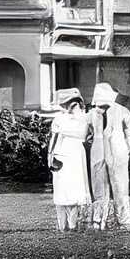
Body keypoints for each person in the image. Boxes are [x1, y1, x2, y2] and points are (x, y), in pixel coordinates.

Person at [87, 82, 130, 231]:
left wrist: (126, 145)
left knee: (120, 186)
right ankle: (98, 221)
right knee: (99, 187)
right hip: (98, 151)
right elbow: (85, 131)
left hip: (117, 150)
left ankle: (124, 221)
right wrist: (93, 140)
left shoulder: (120, 111)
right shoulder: (91, 114)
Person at [47, 87, 92, 232]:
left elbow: (82, 134)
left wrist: (63, 129)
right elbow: (54, 137)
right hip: (61, 156)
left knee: (74, 191)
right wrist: (50, 154)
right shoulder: (60, 119)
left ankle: (73, 225)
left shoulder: (85, 118)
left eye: (74, 104)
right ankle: (62, 225)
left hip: (76, 156)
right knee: (61, 191)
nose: (72, 108)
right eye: (68, 105)